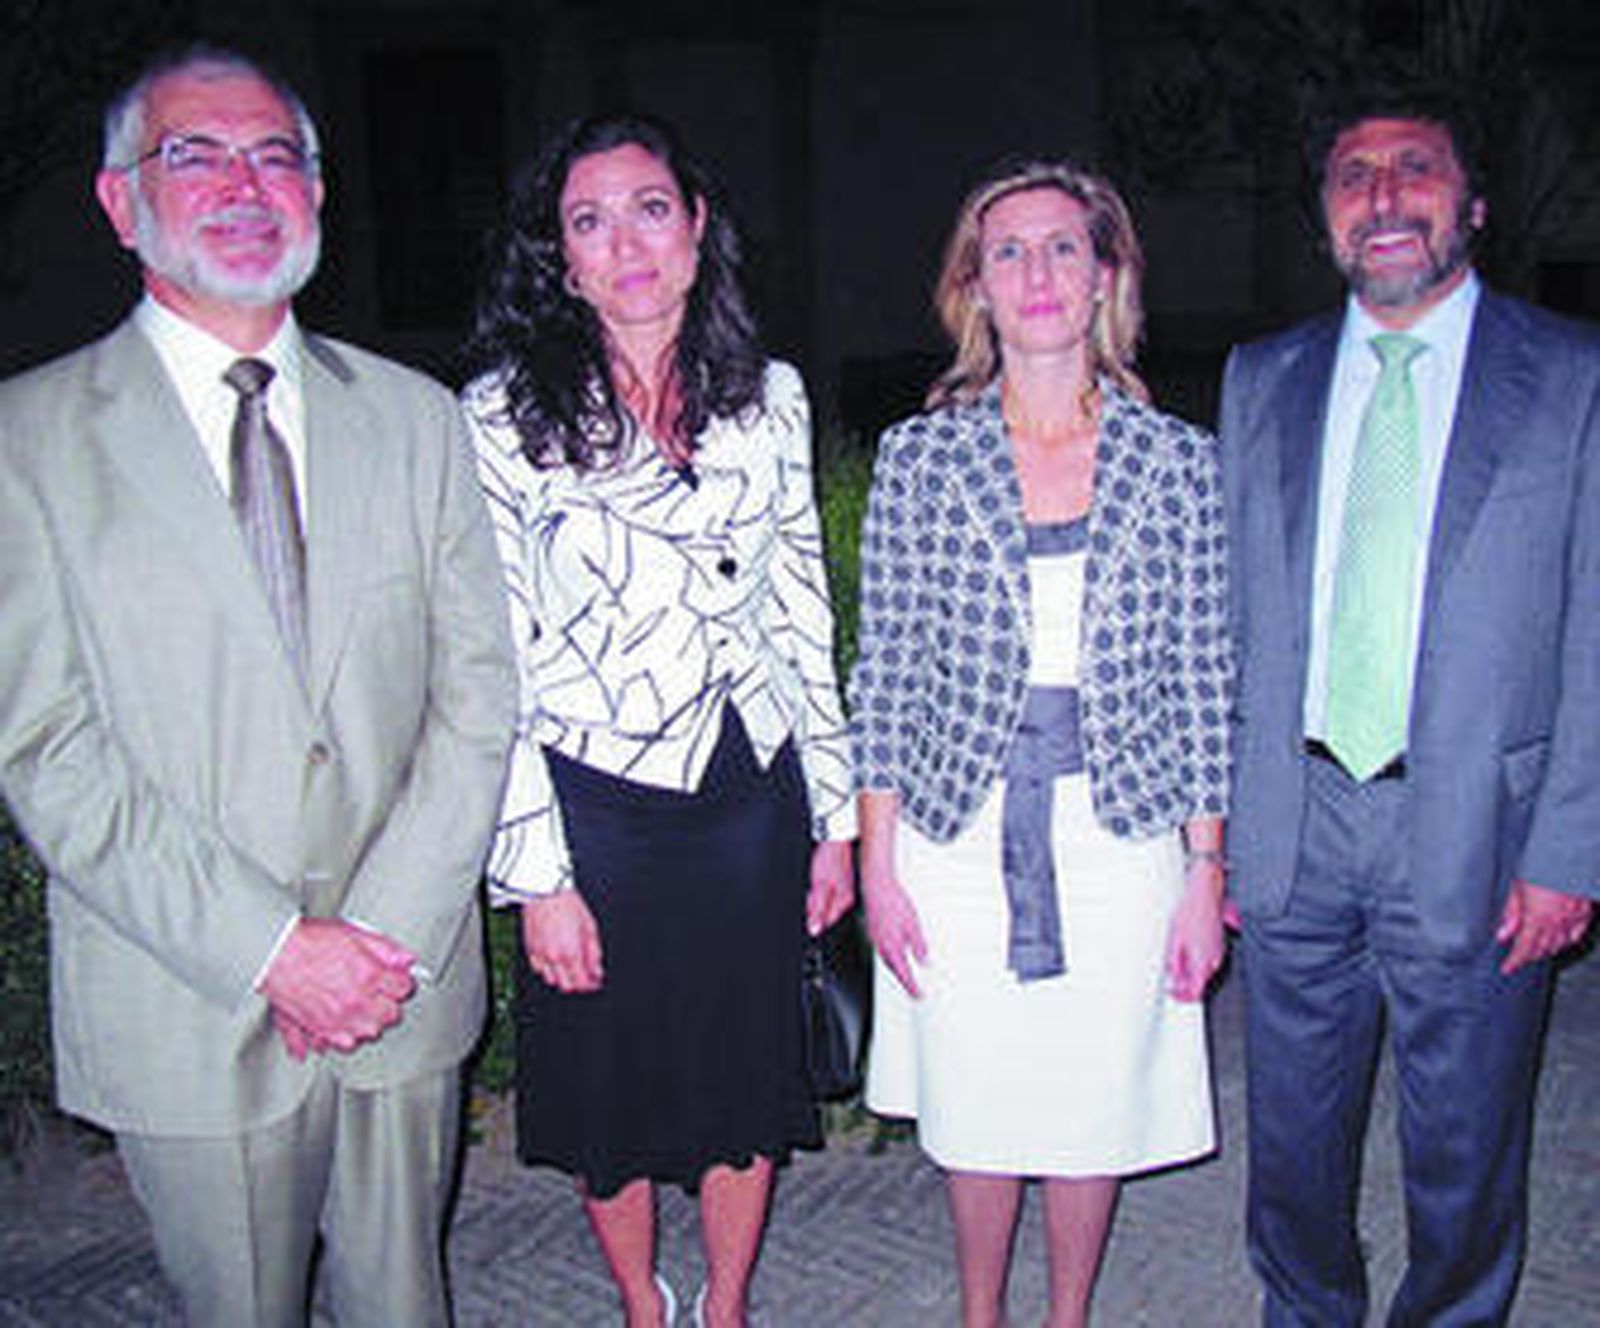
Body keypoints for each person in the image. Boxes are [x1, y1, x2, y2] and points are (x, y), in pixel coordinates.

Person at [0, 44, 515, 1327]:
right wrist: (276, 950)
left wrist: (374, 941)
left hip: (402, 984)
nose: (244, 182)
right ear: (123, 203)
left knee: (406, 1306)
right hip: (189, 996)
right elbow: (47, 749)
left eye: (275, 154)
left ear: (319, 195)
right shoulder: (28, 441)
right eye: (196, 153)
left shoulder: (416, 419)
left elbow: (478, 691)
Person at [462, 112, 857, 1328]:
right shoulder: (496, 416)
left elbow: (803, 609)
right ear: (561, 257)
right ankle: (644, 1300)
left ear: (694, 231)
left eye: (648, 209)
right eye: (590, 219)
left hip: (750, 792)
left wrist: (834, 818)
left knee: (747, 1069)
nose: (623, 242)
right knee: (608, 1086)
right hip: (596, 803)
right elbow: (495, 660)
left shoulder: (769, 397)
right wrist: (536, 875)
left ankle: (726, 1301)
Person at [1221, 74, 1599, 1326]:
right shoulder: (1257, 378)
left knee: (1466, 1153)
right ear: (1325, 216)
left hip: (1479, 827)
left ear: (1472, 203)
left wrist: (1568, 849)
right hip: (1297, 819)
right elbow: (1223, 623)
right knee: (1289, 1156)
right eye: (1353, 177)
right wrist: (1214, 830)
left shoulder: (1570, 377)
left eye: (1414, 169)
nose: (1383, 197)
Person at [850, 158, 1231, 1328]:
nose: (1038, 272)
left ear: (1106, 272)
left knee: (1090, 1093)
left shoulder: (1177, 461)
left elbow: (1205, 672)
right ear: (974, 287)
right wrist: (877, 862)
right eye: (1007, 250)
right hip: (957, 832)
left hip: (1121, 834)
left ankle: (1066, 1314)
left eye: (1063, 245)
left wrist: (1206, 870)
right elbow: (886, 669)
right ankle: (980, 1312)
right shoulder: (921, 460)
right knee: (978, 1091)